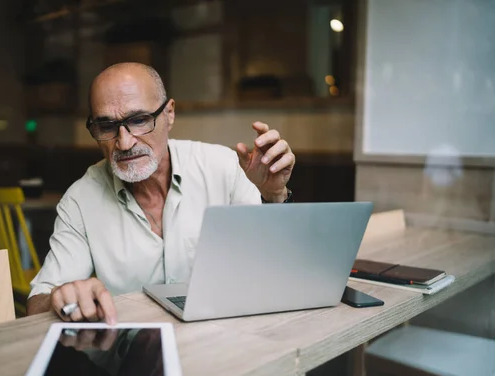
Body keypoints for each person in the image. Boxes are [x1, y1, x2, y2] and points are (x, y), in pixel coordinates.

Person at [26, 62, 295, 323]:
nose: (124, 142)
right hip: (129, 354)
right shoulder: (81, 200)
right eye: (107, 126)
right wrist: (61, 298)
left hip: (222, 340)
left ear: (169, 114)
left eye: (140, 120)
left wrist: (273, 196)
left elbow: (273, 269)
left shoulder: (224, 167)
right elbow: (37, 305)